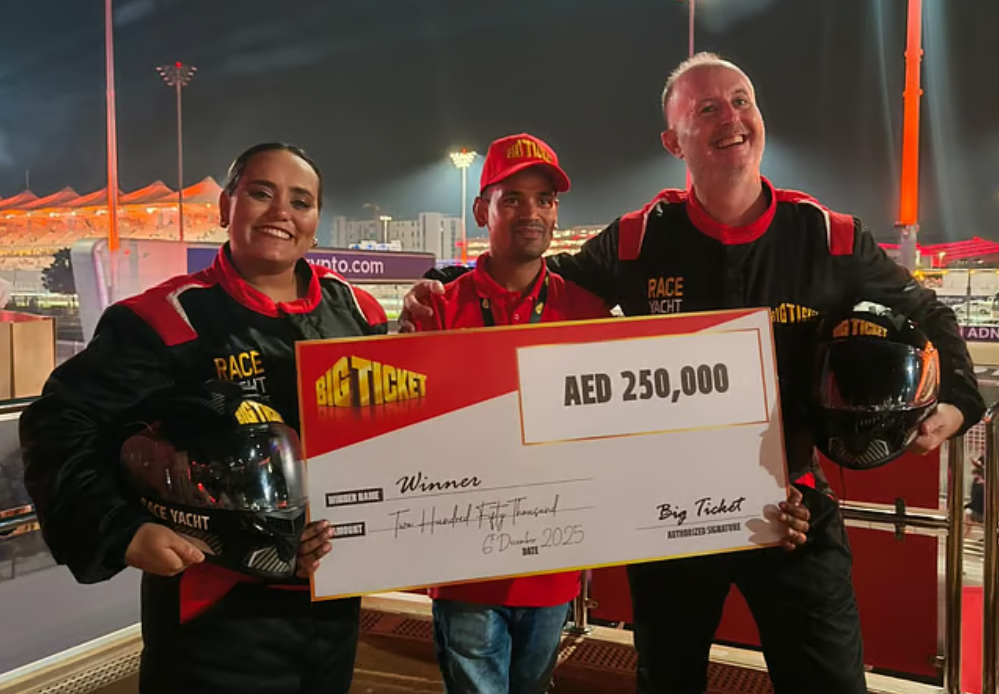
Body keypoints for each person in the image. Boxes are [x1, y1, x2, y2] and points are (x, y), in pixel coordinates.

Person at [401, 53, 986, 694]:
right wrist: (440, 286)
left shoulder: (829, 236)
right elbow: (533, 281)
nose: (730, 118)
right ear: (673, 141)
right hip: (671, 519)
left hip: (791, 512)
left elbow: (928, 310)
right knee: (668, 680)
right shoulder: (637, 240)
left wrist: (959, 403)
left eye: (741, 102)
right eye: (706, 109)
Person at [19, 142, 387, 694]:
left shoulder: (358, 313)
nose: (281, 212)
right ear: (224, 207)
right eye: (260, 193)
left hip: (331, 602)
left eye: (300, 201)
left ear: (315, 222)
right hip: (213, 611)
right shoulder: (162, 320)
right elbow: (59, 424)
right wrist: (120, 529)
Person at [415, 132, 609, 694]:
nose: (532, 213)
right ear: (483, 211)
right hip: (465, 571)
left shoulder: (587, 311)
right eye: (513, 199)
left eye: (544, 199)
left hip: (553, 567)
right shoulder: (439, 309)